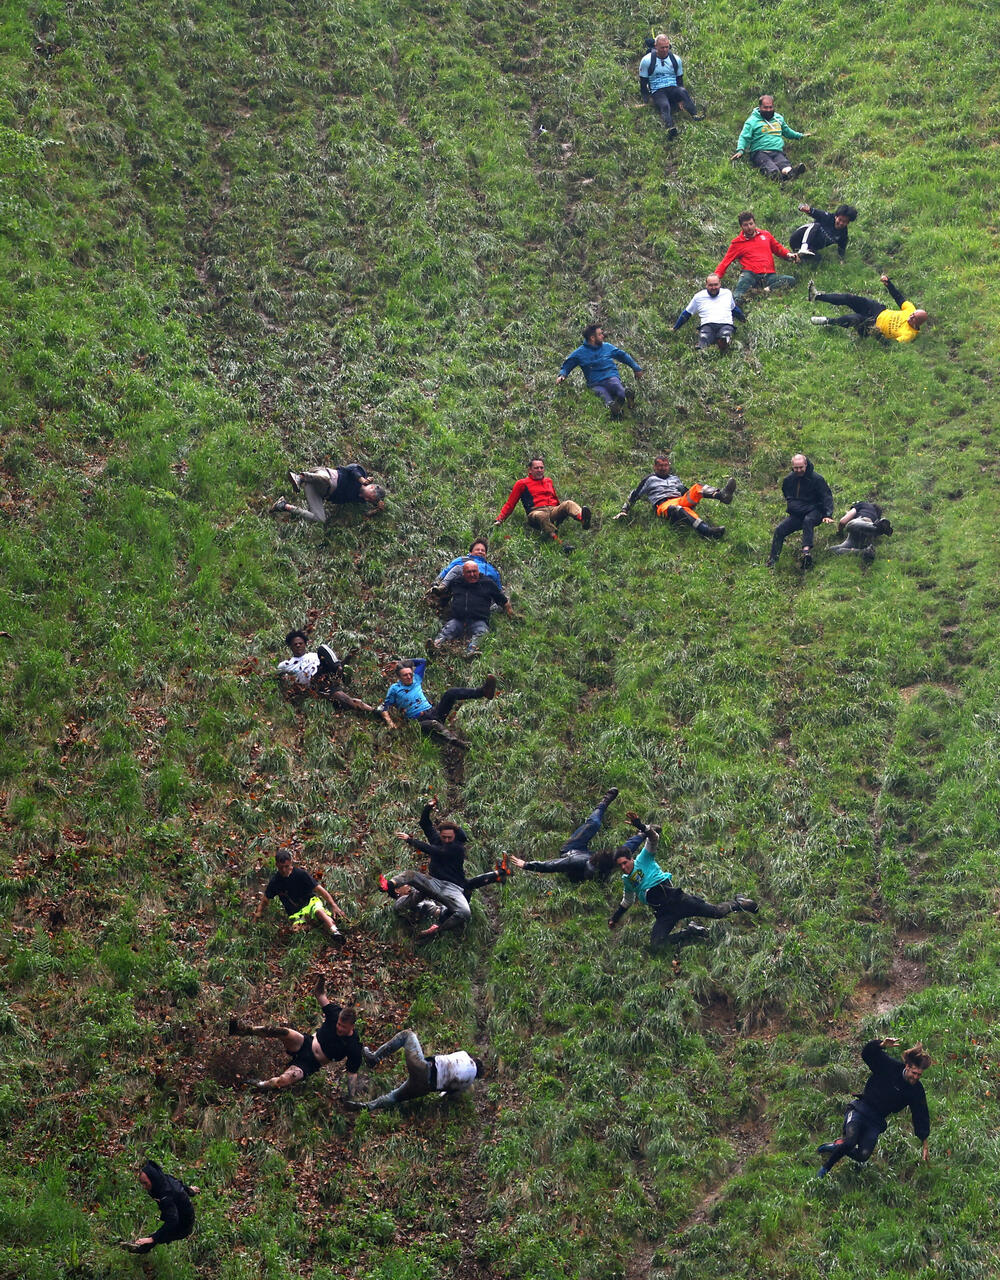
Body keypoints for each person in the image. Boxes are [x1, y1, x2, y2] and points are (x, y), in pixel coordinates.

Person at [609, 815, 758, 949]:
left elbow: (653, 838)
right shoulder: (627, 881)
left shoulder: (643, 859)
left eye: (624, 863)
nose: (623, 867)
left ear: (631, 858)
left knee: (716, 912)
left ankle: (740, 903)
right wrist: (615, 918)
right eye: (620, 865)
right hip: (664, 914)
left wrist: (642, 827)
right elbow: (627, 901)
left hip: (678, 900)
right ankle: (690, 931)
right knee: (656, 944)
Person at [816, 1038, 931, 1178]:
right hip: (859, 1109)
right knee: (851, 1142)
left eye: (919, 1075)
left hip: (876, 1121)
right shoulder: (890, 1066)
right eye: (914, 1073)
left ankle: (837, 1146)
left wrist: (924, 1142)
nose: (916, 1077)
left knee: (863, 1155)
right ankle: (824, 1170)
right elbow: (867, 1055)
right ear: (907, 1066)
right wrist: (880, 1045)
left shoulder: (916, 1090)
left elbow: (921, 1114)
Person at [229, 976, 363, 1094]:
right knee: (280, 1031)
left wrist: (351, 1097)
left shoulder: (353, 1046)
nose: (339, 1028)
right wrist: (320, 981)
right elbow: (320, 995)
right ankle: (242, 1030)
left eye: (343, 1027)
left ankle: (260, 1084)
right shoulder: (335, 1013)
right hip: (305, 1042)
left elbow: (352, 1073)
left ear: (352, 1026)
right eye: (338, 1024)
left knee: (284, 1080)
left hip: (310, 1063)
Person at [511, 787, 639, 882]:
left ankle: (641, 833)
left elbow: (624, 853)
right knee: (594, 823)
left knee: (622, 855)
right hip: (571, 850)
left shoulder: (609, 864)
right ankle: (603, 803)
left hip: (582, 856)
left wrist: (645, 833)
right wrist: (527, 865)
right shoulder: (573, 861)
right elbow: (553, 864)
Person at [348, 1028, 484, 1111]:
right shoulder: (467, 1083)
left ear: (474, 1061)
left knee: (407, 1035)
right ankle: (368, 1106)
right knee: (394, 1096)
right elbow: (448, 1094)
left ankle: (374, 1058)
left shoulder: (465, 1055)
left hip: (424, 1068)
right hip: (426, 1088)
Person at [378, 659, 497, 747]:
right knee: (433, 724)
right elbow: (385, 707)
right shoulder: (394, 689)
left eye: (410, 674)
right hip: (419, 722)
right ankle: (461, 744)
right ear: (398, 677)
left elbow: (422, 662)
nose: (409, 677)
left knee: (450, 693)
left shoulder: (416, 679)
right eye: (405, 675)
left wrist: (403, 662)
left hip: (433, 712)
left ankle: (483, 692)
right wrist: (390, 723)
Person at [613, 455, 735, 540]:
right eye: (660, 465)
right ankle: (706, 530)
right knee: (678, 509)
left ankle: (722, 495)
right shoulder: (649, 479)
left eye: (665, 465)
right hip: (663, 505)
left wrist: (688, 493)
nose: (663, 468)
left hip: (680, 500)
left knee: (697, 487)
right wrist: (624, 510)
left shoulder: (674, 478)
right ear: (654, 467)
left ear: (668, 466)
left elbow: (686, 492)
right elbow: (634, 494)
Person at [495, 456, 591, 550]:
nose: (539, 470)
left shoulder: (548, 481)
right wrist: (500, 519)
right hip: (535, 512)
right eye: (536, 468)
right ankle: (559, 543)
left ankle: (582, 519)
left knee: (568, 503)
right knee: (541, 515)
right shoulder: (522, 484)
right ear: (530, 470)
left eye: (541, 467)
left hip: (552, 509)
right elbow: (510, 504)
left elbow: (555, 498)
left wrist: (562, 513)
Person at [254, 849, 346, 943]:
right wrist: (257, 915)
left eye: (286, 866)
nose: (284, 870)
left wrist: (334, 905)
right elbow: (265, 900)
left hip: (310, 902)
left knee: (319, 912)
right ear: (276, 865)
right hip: (296, 912)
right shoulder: (275, 882)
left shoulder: (300, 874)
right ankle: (316, 924)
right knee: (296, 930)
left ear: (290, 862)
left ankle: (335, 932)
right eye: (281, 867)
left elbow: (319, 890)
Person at [556, 325, 643, 419]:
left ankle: (628, 398)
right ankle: (614, 408)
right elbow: (568, 364)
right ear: (592, 338)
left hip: (611, 377)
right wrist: (562, 375)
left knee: (618, 388)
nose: (603, 336)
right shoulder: (580, 353)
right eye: (600, 334)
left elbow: (623, 356)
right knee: (603, 394)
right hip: (595, 383)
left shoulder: (607, 347)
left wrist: (636, 368)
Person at [809, 275, 928, 342]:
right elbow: (898, 298)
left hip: (874, 325)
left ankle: (827, 321)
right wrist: (889, 284)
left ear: (917, 323)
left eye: (914, 318)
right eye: (912, 314)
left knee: (853, 319)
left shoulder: (909, 334)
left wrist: (878, 335)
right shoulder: (910, 309)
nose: (911, 316)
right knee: (850, 298)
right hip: (878, 310)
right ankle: (817, 296)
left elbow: (891, 345)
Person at [276, 633, 374, 714]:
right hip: (315, 683)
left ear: (305, 644)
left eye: (300, 643)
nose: (298, 645)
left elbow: (328, 661)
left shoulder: (314, 656)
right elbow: (275, 676)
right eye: (295, 644)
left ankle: (340, 670)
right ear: (290, 647)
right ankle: (374, 712)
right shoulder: (286, 664)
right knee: (345, 700)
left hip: (327, 674)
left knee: (323, 649)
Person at [716, 211, 800, 305]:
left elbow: (778, 248)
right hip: (749, 274)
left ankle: (764, 291)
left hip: (768, 275)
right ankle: (735, 310)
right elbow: (725, 262)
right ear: (741, 227)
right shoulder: (737, 243)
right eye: (745, 225)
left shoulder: (766, 235)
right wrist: (715, 278)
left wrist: (789, 255)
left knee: (790, 280)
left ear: (755, 223)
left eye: (751, 224)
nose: (749, 227)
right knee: (738, 297)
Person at [430, 560, 513, 655]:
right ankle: (435, 646)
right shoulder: (457, 581)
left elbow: (503, 600)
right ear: (463, 573)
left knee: (482, 632)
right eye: (469, 572)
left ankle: (471, 652)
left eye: (474, 571)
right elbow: (445, 596)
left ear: (478, 571)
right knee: (447, 630)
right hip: (458, 619)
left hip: (478, 620)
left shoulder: (487, 583)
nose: (472, 574)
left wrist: (511, 614)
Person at [766, 454, 834, 570]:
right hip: (798, 513)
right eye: (796, 468)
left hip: (816, 511)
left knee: (808, 520)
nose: (798, 470)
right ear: (792, 467)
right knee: (779, 530)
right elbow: (788, 495)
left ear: (806, 465)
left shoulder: (817, 479)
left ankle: (806, 554)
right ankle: (773, 560)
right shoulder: (789, 480)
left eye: (801, 467)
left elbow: (826, 497)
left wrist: (828, 514)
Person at [121, 1161, 199, 1253]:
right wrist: (191, 1191)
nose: (144, 1187)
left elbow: (173, 1220)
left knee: (159, 1236)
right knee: (157, 1236)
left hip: (184, 1225)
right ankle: (138, 1246)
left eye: (145, 1183)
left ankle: (138, 1248)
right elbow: (179, 1185)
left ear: (153, 1179)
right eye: (142, 1183)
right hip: (180, 1212)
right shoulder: (163, 1179)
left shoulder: (166, 1195)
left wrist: (153, 1238)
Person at [731, 94, 811, 181]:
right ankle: (778, 177)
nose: (768, 110)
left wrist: (800, 136)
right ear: (760, 107)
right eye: (765, 107)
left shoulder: (778, 118)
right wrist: (740, 150)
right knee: (771, 168)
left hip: (777, 152)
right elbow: (744, 136)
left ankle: (791, 173)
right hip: (760, 153)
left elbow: (788, 132)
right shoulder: (752, 121)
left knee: (784, 164)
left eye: (770, 107)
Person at [638, 34, 703, 138]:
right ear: (655, 47)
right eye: (662, 47)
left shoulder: (675, 59)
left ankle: (695, 114)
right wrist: (646, 99)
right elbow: (643, 82)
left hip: (672, 87)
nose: (664, 50)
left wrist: (680, 99)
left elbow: (679, 80)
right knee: (664, 105)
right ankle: (670, 127)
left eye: (666, 47)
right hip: (657, 89)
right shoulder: (647, 60)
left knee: (682, 91)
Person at [270, 463, 386, 521]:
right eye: (371, 497)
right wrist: (361, 479)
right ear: (372, 487)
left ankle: (284, 505)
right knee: (327, 481)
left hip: (319, 491)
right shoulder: (361, 475)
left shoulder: (359, 499)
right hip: (321, 475)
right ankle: (300, 477)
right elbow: (351, 468)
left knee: (320, 519)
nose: (367, 500)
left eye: (370, 501)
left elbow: (365, 515)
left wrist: (376, 509)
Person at [673, 274, 746, 352]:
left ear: (720, 284)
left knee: (724, 337)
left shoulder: (727, 293)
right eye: (710, 285)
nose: (713, 288)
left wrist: (744, 320)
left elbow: (734, 309)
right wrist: (675, 328)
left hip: (725, 324)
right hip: (707, 325)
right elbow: (687, 313)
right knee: (704, 338)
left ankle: (723, 347)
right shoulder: (698, 297)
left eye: (716, 285)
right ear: (706, 285)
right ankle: (701, 350)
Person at [430, 538, 504, 597]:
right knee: (458, 568)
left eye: (483, 550)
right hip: (464, 586)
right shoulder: (462, 559)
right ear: (471, 552)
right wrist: (437, 581)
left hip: (483, 591)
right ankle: (442, 587)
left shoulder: (490, 568)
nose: (480, 552)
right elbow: (448, 570)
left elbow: (497, 584)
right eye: (477, 549)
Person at [790, 204, 857, 261]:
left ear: (848, 223)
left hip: (810, 249)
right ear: (836, 217)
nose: (841, 223)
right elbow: (813, 211)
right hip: (797, 239)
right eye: (840, 219)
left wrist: (841, 260)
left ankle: (798, 256)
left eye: (844, 221)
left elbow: (842, 250)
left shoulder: (843, 234)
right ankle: (803, 248)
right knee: (816, 225)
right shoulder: (827, 217)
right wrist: (804, 208)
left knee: (819, 259)